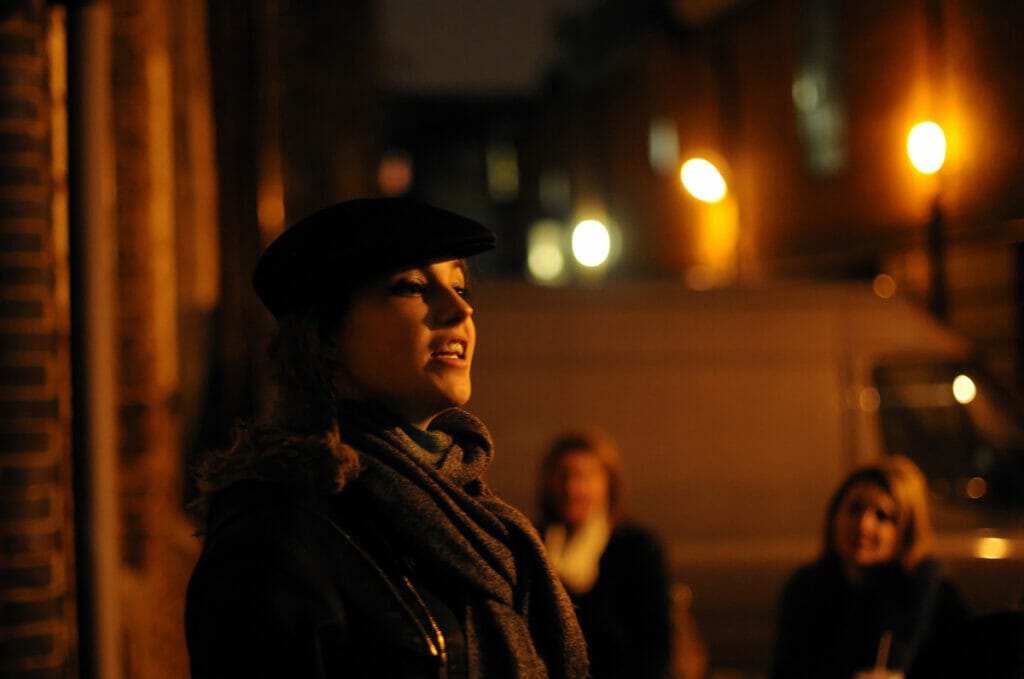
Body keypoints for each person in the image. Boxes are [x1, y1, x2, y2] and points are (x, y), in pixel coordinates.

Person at [185, 198, 589, 678]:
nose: (459, 308)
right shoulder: (276, 536)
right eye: (413, 287)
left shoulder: (476, 516)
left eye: (459, 285)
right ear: (326, 336)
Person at [769, 455, 968, 679]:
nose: (864, 525)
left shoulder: (931, 592)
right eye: (855, 509)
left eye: (882, 516)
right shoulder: (806, 589)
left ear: (905, 529)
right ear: (835, 515)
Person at [538, 428, 677, 679]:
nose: (572, 487)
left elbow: (655, 649)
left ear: (608, 483)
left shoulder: (637, 548)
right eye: (564, 475)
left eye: (585, 476)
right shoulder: (533, 545)